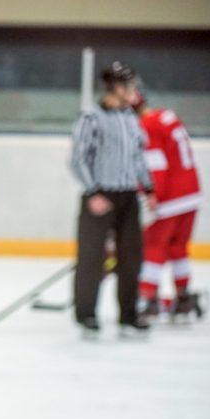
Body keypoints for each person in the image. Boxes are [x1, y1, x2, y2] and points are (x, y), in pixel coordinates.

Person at [70, 61, 156, 339]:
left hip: (127, 197)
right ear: (117, 88)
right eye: (130, 86)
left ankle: (129, 315)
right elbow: (78, 159)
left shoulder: (131, 117)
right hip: (99, 196)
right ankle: (87, 314)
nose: (135, 92)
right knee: (92, 259)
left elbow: (138, 157)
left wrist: (149, 188)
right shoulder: (91, 117)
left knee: (132, 258)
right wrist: (93, 191)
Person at [132, 89, 203, 320]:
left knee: (153, 247)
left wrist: (153, 195)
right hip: (191, 194)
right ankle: (183, 297)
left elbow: (157, 165)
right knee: (178, 248)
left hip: (170, 198)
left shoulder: (147, 125)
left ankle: (147, 298)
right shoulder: (166, 116)